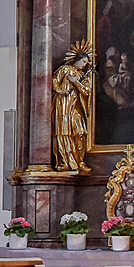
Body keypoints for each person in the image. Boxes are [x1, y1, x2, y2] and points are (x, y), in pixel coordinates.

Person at [51, 44, 95, 174]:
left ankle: (79, 161)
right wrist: (61, 90)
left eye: (87, 63)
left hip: (76, 107)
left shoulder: (83, 76)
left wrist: (76, 82)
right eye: (84, 61)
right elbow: (54, 81)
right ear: (77, 59)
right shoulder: (64, 69)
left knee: (80, 133)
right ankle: (66, 162)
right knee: (64, 133)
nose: (85, 65)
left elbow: (87, 91)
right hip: (63, 106)